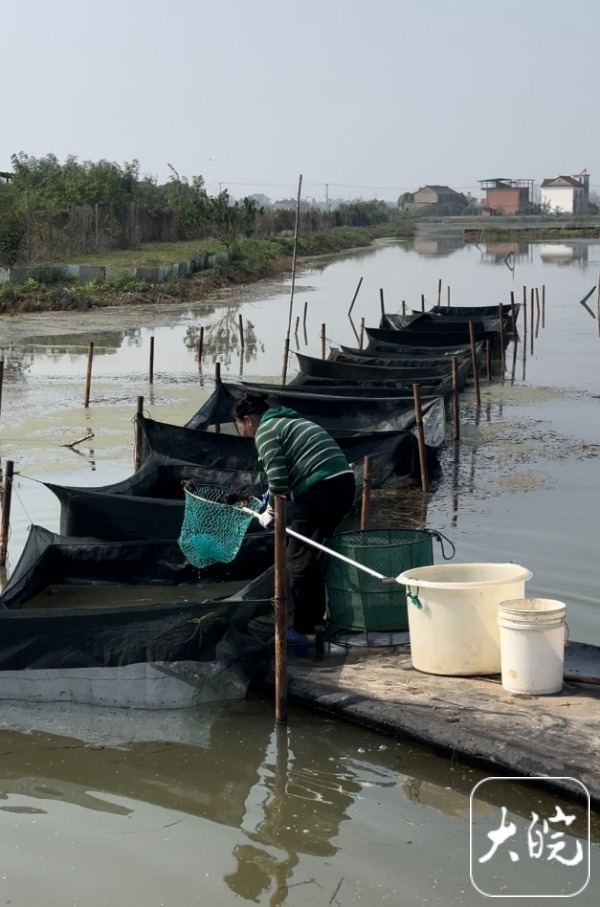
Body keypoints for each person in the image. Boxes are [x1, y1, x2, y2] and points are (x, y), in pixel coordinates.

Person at [233, 390, 356, 645]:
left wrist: (271, 512)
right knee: (314, 553)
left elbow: (278, 479)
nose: (243, 431)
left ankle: (302, 630)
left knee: (297, 558)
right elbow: (285, 476)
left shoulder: (265, 431)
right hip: (342, 484)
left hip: (320, 488)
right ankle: (317, 624)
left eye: (240, 425)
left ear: (247, 420)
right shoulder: (290, 421)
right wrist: (275, 495)